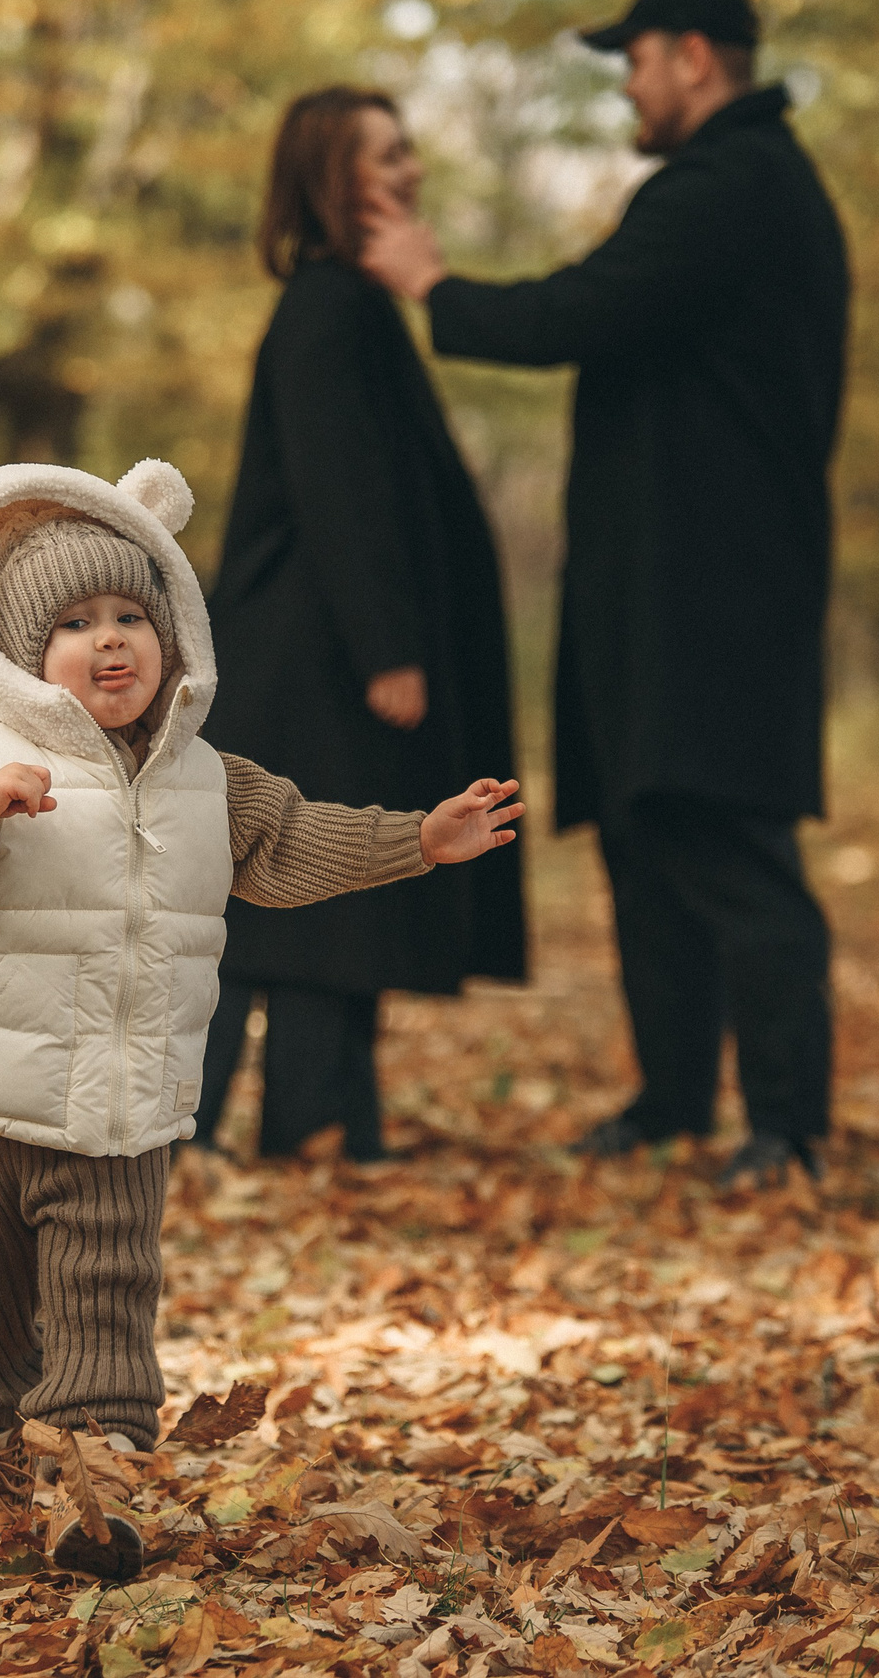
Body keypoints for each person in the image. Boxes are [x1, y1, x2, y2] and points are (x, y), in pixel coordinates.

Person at [0, 458, 521, 1578]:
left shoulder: (208, 777)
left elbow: (293, 841)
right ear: (14, 650)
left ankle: (92, 1480)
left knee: (107, 1291)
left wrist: (415, 840)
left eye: (131, 615)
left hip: (122, 1099)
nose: (110, 641)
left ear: (173, 632)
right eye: (73, 623)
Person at [359, 0, 850, 1186]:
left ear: (693, 57)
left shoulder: (731, 187)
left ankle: (788, 1128)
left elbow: (574, 311)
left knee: (727, 846)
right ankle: (673, 1101)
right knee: (649, 837)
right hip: (668, 592)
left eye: (635, 61)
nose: (628, 86)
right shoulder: (735, 185)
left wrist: (433, 284)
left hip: (715, 597)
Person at [195, 86, 527, 1163]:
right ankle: (253, 1133)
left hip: (320, 645)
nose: (412, 169)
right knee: (295, 894)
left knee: (319, 896)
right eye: (387, 156)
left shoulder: (350, 305)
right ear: (332, 179)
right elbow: (341, 490)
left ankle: (317, 1128)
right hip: (313, 652)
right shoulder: (328, 309)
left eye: (409, 149)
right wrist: (390, 649)